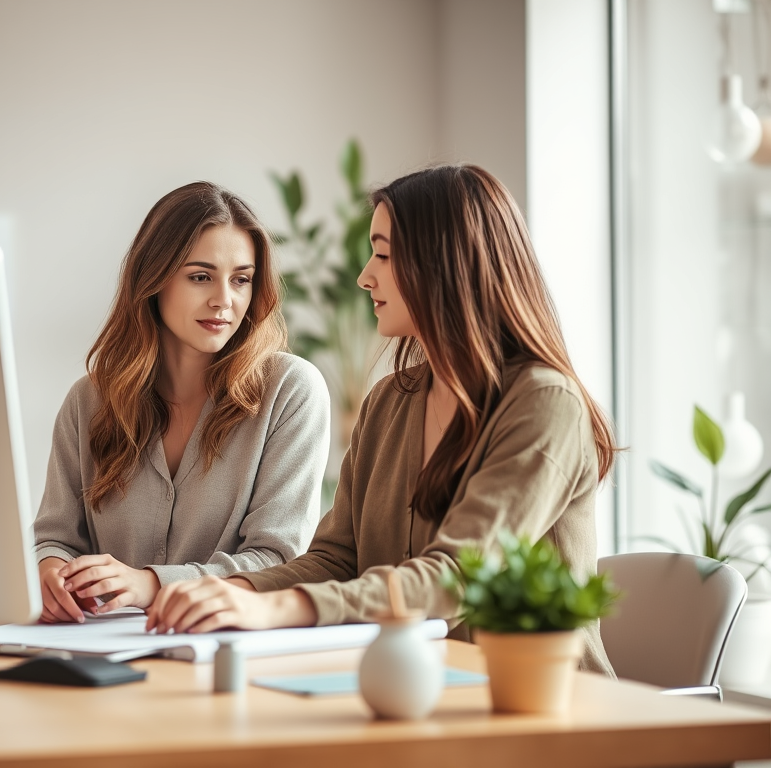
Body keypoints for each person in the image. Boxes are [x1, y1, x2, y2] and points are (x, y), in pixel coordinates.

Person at [146, 165, 617, 675]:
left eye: (385, 255)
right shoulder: (390, 402)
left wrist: (272, 608)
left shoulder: (544, 404)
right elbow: (335, 560)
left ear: (447, 267)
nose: (365, 274)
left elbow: (457, 576)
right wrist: (225, 594)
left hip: (537, 709)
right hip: (416, 690)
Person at [34, 181, 331, 624]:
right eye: (200, 277)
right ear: (153, 280)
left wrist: (150, 583)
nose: (224, 301)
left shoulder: (291, 391)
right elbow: (57, 537)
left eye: (242, 280)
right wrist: (53, 572)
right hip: (99, 650)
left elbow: (279, 559)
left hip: (228, 653)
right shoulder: (90, 400)